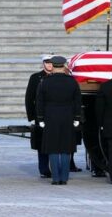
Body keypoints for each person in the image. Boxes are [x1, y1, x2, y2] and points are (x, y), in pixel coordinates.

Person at [35, 55, 81, 185]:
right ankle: (64, 178)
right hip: (68, 117)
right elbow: (78, 101)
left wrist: (40, 118)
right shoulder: (72, 81)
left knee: (53, 148)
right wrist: (77, 117)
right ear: (64, 66)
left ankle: (55, 178)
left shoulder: (45, 82)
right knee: (66, 148)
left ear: (53, 66)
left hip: (50, 117)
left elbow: (39, 102)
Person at [25, 55, 53, 178]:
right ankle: (44, 169)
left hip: (54, 114)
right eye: (47, 62)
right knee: (41, 143)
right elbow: (29, 98)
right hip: (40, 115)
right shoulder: (35, 77)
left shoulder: (58, 77)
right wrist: (32, 115)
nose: (49, 65)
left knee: (55, 143)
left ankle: (55, 167)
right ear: (43, 64)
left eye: (51, 63)